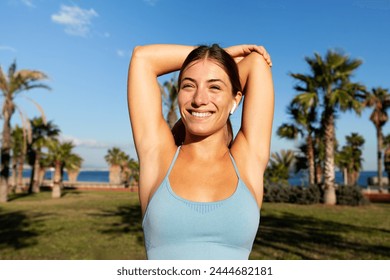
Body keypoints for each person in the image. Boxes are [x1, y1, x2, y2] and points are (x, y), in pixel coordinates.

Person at [127, 43, 274, 260]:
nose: (199, 99)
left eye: (214, 87)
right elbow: (143, 58)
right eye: (188, 86)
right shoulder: (158, 157)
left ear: (236, 99)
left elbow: (256, 62)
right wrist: (212, 58)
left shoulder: (247, 161)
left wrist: (215, 59)